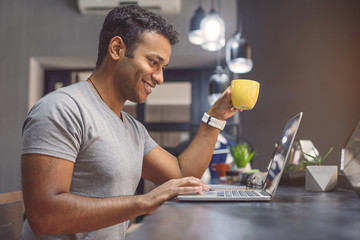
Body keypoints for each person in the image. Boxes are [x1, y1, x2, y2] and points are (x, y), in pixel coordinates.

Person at [20, 5, 239, 240]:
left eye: (163, 67)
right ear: (116, 49)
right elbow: (45, 217)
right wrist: (144, 202)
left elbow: (181, 174)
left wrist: (214, 118)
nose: (160, 77)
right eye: (153, 62)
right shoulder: (62, 109)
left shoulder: (133, 130)